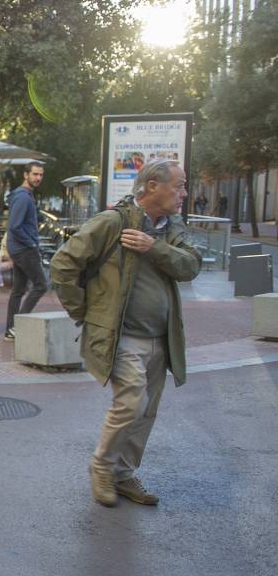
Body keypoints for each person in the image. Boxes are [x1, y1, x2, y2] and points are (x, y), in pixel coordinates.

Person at [50, 160, 200, 507]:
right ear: (151, 187)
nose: (184, 193)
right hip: (122, 335)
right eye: (179, 185)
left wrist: (154, 247)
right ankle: (102, 468)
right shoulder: (112, 222)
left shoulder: (171, 227)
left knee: (147, 411)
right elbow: (63, 263)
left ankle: (123, 473)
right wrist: (84, 312)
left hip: (161, 337)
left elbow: (191, 266)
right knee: (132, 402)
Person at [3, 161, 47, 340]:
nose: (38, 178)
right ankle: (19, 326)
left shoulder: (25, 195)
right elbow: (14, 226)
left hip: (19, 248)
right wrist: (31, 244)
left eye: (40, 175)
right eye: (35, 174)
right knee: (41, 285)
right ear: (26, 175)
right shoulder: (22, 196)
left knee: (18, 290)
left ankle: (10, 330)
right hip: (24, 249)